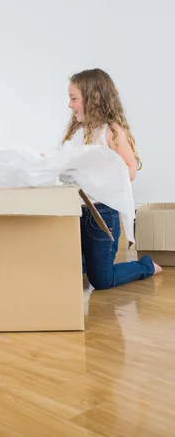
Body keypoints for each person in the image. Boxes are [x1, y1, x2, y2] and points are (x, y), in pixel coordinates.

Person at [63, 68, 162, 290]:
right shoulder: (79, 132)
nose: (69, 105)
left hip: (102, 214)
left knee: (101, 280)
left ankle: (145, 265)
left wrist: (96, 177)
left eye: (73, 98)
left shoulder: (111, 131)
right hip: (78, 211)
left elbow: (131, 170)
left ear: (92, 98)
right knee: (72, 268)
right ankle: (90, 262)